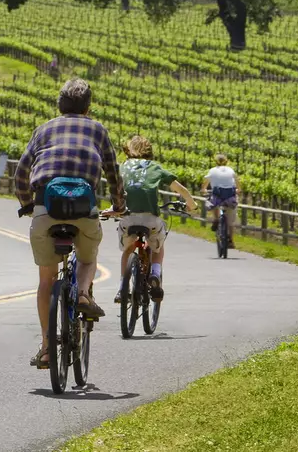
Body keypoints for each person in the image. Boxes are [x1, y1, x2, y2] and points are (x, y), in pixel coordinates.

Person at [15, 78, 125, 370]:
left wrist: (28, 203)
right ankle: (85, 293)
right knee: (88, 258)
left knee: (45, 279)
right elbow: (113, 173)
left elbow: (21, 172)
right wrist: (119, 205)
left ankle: (48, 348)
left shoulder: (44, 129)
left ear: (59, 104)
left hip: (45, 209)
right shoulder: (98, 130)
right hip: (83, 210)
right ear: (88, 107)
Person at [115, 135, 195, 303]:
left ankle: (123, 288)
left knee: (127, 250)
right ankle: (155, 274)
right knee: (158, 248)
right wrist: (191, 203)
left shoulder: (123, 167)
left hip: (128, 218)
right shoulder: (155, 167)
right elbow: (180, 188)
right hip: (150, 219)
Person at [203, 153, 238, 248]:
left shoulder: (212, 170)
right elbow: (237, 180)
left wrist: (203, 189)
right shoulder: (231, 170)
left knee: (213, 201)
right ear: (226, 161)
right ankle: (230, 240)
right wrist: (238, 190)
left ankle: (216, 219)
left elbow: (205, 181)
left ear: (215, 162)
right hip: (230, 196)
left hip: (218, 195)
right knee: (231, 221)